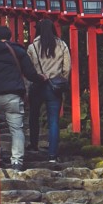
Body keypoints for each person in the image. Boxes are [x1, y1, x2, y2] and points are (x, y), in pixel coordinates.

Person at [0, 25, 42, 169]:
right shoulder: (18, 51)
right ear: (10, 37)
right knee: (16, 129)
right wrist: (41, 79)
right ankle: (17, 160)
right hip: (13, 94)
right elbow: (29, 73)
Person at [26, 20, 72, 161]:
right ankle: (52, 153)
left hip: (37, 85)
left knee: (34, 115)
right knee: (53, 120)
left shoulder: (32, 47)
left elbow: (29, 69)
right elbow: (67, 66)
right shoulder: (62, 45)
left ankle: (34, 144)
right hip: (54, 86)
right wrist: (61, 80)